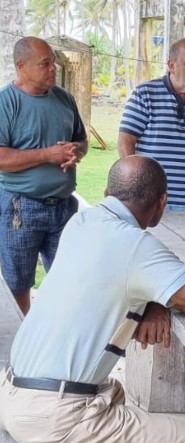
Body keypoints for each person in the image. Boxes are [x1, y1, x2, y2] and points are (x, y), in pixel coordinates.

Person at [0, 155, 185, 443]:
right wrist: (157, 296)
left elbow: (113, 277)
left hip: (12, 391)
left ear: (106, 194)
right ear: (162, 201)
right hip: (54, 414)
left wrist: (153, 299)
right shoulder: (138, 247)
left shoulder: (82, 221)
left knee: (114, 392)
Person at [0, 36, 88, 315]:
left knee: (69, 279)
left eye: (53, 62)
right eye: (45, 64)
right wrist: (47, 155)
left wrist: (76, 151)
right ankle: (21, 343)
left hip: (63, 206)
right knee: (18, 282)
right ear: (21, 66)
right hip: (20, 208)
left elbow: (81, 140)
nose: (53, 68)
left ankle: (55, 338)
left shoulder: (65, 98)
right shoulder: (6, 103)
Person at [119, 38, 185, 213]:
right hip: (152, 202)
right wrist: (135, 183)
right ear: (171, 65)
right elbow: (126, 139)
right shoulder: (145, 94)